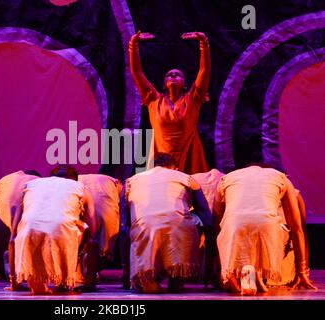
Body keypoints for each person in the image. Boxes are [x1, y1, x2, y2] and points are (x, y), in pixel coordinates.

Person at [214, 164, 317, 295]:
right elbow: (297, 228)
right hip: (267, 225)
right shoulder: (281, 178)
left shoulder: (226, 179)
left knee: (230, 231)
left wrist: (219, 268)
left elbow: (216, 222)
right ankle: (255, 274)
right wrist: (301, 271)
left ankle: (237, 278)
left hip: (234, 224)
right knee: (268, 231)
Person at [124, 153, 211, 293]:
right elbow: (204, 211)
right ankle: (177, 277)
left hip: (144, 227)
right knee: (194, 222)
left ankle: (146, 276)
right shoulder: (186, 178)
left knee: (134, 229)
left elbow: (126, 216)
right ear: (175, 169)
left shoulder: (131, 181)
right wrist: (210, 237)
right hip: (177, 227)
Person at [7, 165, 99, 294]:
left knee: (26, 232)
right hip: (63, 229)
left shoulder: (30, 185)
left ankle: (35, 282)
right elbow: (93, 234)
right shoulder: (80, 188)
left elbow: (12, 238)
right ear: (75, 180)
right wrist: (91, 281)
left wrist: (14, 282)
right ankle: (65, 282)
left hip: (29, 230)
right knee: (84, 232)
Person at [129, 30, 211, 174]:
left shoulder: (193, 99)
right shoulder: (153, 99)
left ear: (185, 84)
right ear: (163, 84)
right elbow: (137, 72)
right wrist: (133, 45)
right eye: (169, 75)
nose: (173, 75)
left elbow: (204, 70)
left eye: (178, 75)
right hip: (160, 159)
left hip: (189, 157)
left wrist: (204, 44)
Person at [0, 170, 41, 279]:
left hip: (1, 237)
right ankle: (17, 263)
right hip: (25, 237)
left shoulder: (3, 181)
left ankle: (7, 264)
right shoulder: (40, 182)